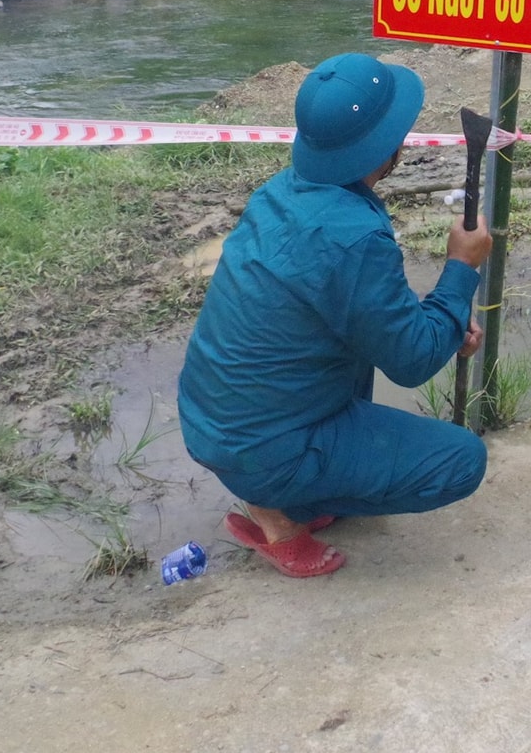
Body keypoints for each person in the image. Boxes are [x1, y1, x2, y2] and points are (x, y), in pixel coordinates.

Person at [176, 53, 492, 577]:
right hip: (262, 445)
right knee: (459, 462)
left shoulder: (278, 193)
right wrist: (460, 269)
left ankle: (291, 488)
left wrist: (443, 317)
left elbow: (353, 304)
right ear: (382, 148)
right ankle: (282, 510)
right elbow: (411, 363)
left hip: (211, 420)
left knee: (361, 348)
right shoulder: (355, 236)